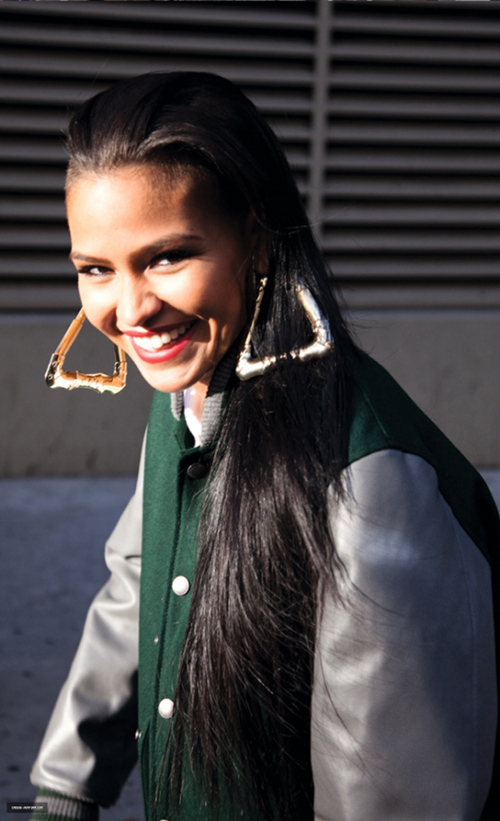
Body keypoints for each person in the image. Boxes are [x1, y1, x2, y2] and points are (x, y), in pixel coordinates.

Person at [31, 72, 499, 821]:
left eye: (167, 256)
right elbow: (138, 587)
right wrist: (64, 789)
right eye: (95, 269)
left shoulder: (367, 479)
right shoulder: (185, 393)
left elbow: (390, 798)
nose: (130, 309)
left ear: (254, 240)